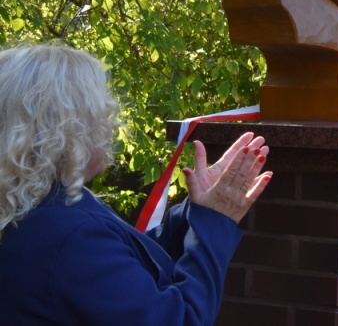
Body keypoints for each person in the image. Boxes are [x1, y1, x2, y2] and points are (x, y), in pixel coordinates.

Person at [0, 43, 273, 324]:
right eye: (100, 114)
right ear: (66, 129)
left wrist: (195, 212)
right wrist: (216, 223)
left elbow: (128, 265)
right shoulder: (66, 234)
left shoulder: (41, 201)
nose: (111, 127)